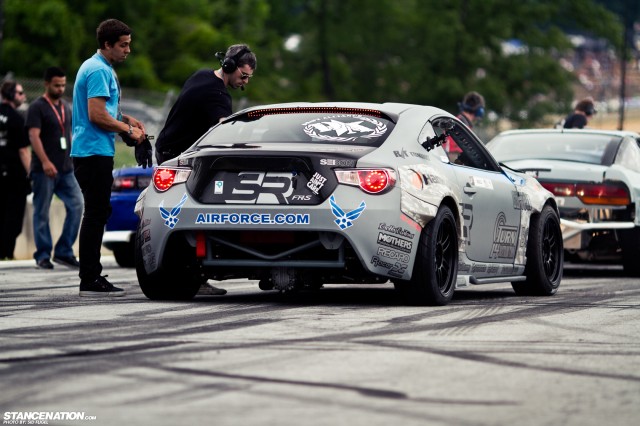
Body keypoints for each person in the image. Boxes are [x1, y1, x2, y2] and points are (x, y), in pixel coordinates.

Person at [154, 43, 257, 296]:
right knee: (196, 214)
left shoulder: (201, 75)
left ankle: (189, 275)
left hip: (167, 150)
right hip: (179, 156)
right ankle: (192, 277)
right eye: (243, 76)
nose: (244, 83)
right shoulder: (219, 96)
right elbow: (224, 131)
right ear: (228, 66)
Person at [71, 19, 146, 297]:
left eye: (129, 44)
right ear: (107, 45)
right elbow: (97, 115)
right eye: (123, 45)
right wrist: (129, 131)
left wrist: (128, 119)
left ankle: (91, 275)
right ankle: (89, 279)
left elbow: (107, 112)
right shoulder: (98, 70)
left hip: (93, 151)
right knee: (95, 213)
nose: (128, 50)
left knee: (98, 212)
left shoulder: (100, 68)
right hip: (92, 152)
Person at [26, 67, 84, 270]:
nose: (60, 89)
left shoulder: (66, 107)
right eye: (56, 85)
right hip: (44, 170)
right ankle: (42, 255)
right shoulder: (37, 107)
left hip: (66, 169)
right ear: (47, 84)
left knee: (77, 205)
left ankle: (64, 251)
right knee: (41, 212)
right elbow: (33, 135)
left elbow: (69, 134)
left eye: (62, 85)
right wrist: (44, 161)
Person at [0, 81, 30, 259]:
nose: (23, 96)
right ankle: (7, 252)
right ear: (11, 95)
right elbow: (23, 150)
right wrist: (31, 173)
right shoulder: (17, 119)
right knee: (13, 217)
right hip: (14, 176)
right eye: (20, 93)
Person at [444, 91, 485, 161]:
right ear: (479, 111)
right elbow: (455, 154)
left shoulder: (458, 122)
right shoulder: (461, 127)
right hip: (453, 162)